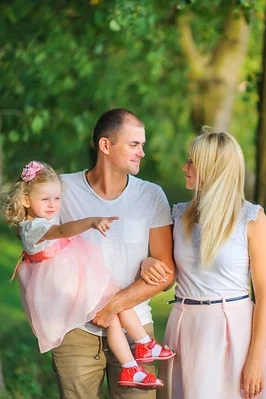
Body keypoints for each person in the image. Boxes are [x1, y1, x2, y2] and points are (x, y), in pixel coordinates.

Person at [3, 161, 175, 390]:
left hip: (77, 273)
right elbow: (62, 231)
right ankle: (143, 344)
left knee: (115, 311)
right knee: (115, 301)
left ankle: (133, 363)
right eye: (45, 199)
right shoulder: (32, 227)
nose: (53, 205)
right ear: (26, 200)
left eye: (56, 198)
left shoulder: (37, 219)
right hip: (71, 282)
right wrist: (91, 221)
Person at [145, 130, 266, 399]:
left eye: (192, 161)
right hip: (184, 328)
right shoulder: (178, 215)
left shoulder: (251, 219)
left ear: (212, 167)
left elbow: (265, 297)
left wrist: (256, 358)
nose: (185, 167)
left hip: (233, 333)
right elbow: (165, 269)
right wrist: (148, 262)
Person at [55, 109, 176, 399]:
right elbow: (36, 241)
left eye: (142, 145)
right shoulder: (62, 189)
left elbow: (167, 274)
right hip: (74, 332)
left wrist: (113, 307)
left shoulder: (151, 195)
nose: (142, 153)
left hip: (137, 334)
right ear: (106, 146)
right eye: (134, 145)